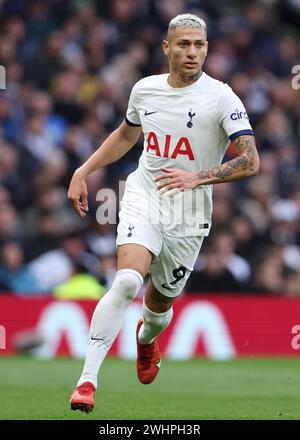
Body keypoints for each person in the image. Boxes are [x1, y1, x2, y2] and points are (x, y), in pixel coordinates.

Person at [68, 13, 260, 413]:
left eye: (200, 45)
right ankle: (87, 381)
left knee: (158, 311)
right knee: (124, 282)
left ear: (207, 48)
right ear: (166, 48)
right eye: (184, 44)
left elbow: (251, 161)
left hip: (190, 212)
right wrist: (84, 170)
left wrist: (199, 178)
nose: (192, 52)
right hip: (145, 194)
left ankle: (145, 339)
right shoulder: (145, 90)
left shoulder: (222, 97)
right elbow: (126, 133)